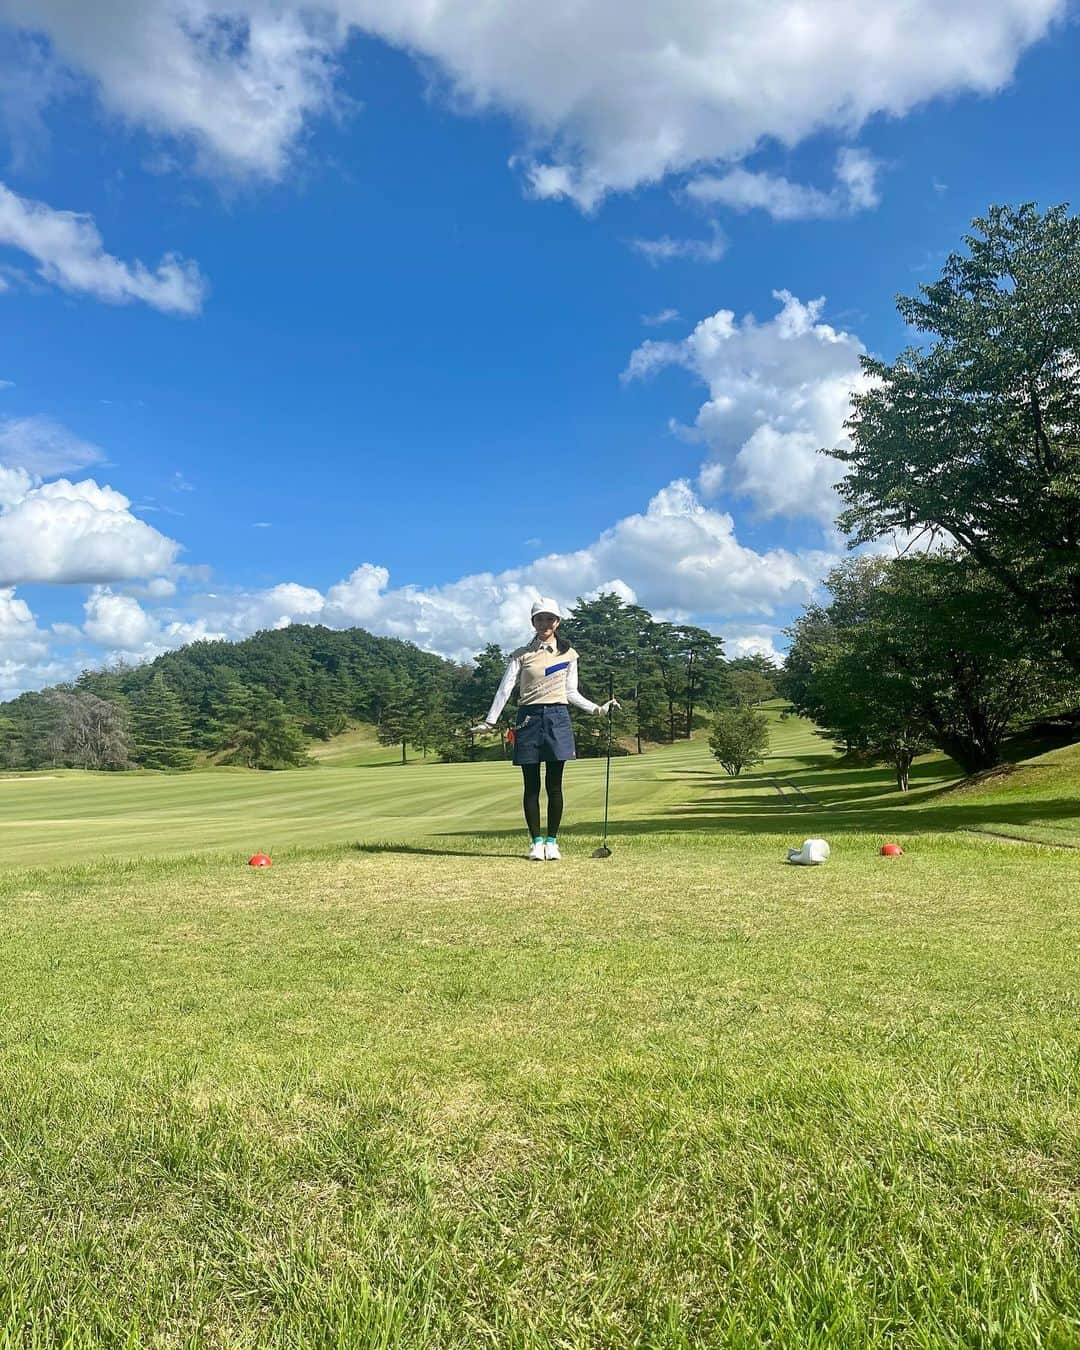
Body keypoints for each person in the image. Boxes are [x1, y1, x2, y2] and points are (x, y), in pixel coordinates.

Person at [471, 597, 618, 861]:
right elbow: (505, 689)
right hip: (528, 718)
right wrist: (490, 721)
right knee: (531, 786)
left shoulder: (569, 654)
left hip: (558, 717)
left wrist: (597, 709)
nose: (545, 623)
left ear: (557, 622)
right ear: (533, 622)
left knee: (554, 786)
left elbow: (571, 692)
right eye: (540, 619)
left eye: (550, 618)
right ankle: (536, 843)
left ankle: (552, 842)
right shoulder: (521, 655)